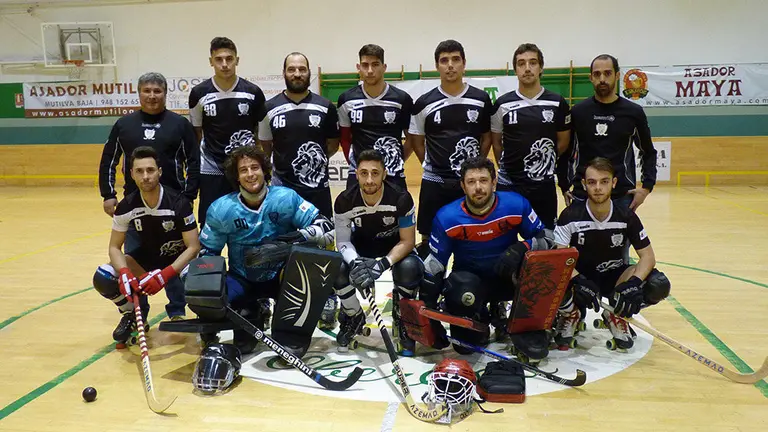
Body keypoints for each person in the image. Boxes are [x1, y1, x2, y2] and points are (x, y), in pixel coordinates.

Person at [198, 145, 335, 356]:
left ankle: (287, 325)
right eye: (244, 170)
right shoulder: (221, 209)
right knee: (211, 297)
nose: (251, 174)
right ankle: (254, 310)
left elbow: (327, 227)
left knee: (292, 343)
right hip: (243, 278)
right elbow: (208, 252)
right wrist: (205, 296)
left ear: (265, 171)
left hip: (283, 279)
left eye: (255, 167)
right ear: (236, 176)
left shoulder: (286, 198)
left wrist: (296, 239)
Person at [421, 157, 553, 355]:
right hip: (470, 284)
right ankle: (480, 313)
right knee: (464, 346)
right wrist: (430, 318)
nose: (478, 187)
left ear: (494, 182)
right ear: (463, 186)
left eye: (483, 180)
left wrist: (521, 248)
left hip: (508, 276)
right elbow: (434, 265)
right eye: (471, 182)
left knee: (542, 267)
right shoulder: (447, 217)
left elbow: (548, 239)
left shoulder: (516, 204)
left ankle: (525, 324)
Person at [98, 72, 199, 319]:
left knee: (173, 258)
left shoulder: (179, 124)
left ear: (165, 94)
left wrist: (189, 195)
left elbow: (194, 161)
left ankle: (177, 311)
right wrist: (108, 194)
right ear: (139, 93)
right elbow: (109, 159)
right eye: (147, 91)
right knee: (134, 260)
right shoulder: (124, 124)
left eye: (157, 91)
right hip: (135, 208)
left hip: (172, 207)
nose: (152, 96)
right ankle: (137, 312)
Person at [257, 52, 341, 329]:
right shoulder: (269, 108)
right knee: (280, 244)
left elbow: (332, 145)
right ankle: (273, 299)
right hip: (283, 191)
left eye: (301, 69)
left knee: (323, 244)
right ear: (284, 72)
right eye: (291, 69)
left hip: (317, 191)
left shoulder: (325, 106)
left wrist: (312, 171)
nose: (297, 74)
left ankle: (327, 298)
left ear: (309, 73)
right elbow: (265, 147)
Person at [553, 157, 670, 350]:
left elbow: (648, 256)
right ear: (584, 184)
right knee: (547, 273)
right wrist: (577, 280)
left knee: (658, 284)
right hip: (581, 280)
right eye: (592, 182)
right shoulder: (570, 216)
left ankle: (617, 313)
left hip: (614, 278)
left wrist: (632, 284)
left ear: (613, 183)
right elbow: (559, 257)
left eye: (604, 181)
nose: (598, 187)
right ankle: (570, 313)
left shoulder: (627, 216)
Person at [92, 146, 201, 344]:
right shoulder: (126, 206)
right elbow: (114, 247)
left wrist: (165, 275)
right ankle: (132, 314)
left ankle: (207, 322)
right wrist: (124, 272)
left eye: (150, 170)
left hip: (178, 260)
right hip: (147, 260)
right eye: (140, 171)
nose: (146, 176)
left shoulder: (178, 203)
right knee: (103, 277)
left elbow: (194, 247)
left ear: (159, 171)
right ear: (131, 174)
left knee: (202, 281)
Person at [409, 39, 493, 257]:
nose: (450, 65)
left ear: (464, 64)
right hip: (434, 184)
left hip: (469, 185)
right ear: (437, 66)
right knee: (429, 242)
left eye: (456, 59)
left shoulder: (481, 99)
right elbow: (417, 141)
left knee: (473, 240)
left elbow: (487, 138)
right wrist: (431, 165)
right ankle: (430, 287)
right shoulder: (423, 103)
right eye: (444, 60)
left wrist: (474, 170)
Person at [333, 150, 420, 355]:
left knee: (411, 268)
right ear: (356, 174)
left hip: (394, 246)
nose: (369, 179)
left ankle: (402, 316)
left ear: (385, 174)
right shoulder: (344, 201)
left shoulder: (401, 199)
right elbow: (343, 241)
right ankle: (353, 315)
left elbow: (408, 241)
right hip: (361, 247)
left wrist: (381, 265)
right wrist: (355, 263)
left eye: (375, 173)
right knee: (336, 267)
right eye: (364, 173)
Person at [560, 54, 657, 211]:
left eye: (608, 73)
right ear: (591, 77)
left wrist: (646, 188)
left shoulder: (633, 112)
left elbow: (648, 152)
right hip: (582, 195)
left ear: (617, 76)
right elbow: (566, 153)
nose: (602, 79)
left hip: (621, 197)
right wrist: (564, 186)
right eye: (597, 74)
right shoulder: (578, 112)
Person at [490, 43, 570, 229]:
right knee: (504, 239)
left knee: (546, 237)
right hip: (509, 184)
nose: (527, 68)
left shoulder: (557, 102)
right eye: (521, 63)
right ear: (515, 69)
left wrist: (542, 164)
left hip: (543, 185)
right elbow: (496, 142)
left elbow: (564, 141)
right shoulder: (502, 104)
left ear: (541, 67)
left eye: (533, 63)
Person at [189, 36, 267, 228]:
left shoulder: (253, 92)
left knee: (251, 220)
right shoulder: (199, 93)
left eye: (229, 59)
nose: (224, 64)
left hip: (244, 167)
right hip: (212, 166)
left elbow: (262, 133)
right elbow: (196, 132)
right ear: (211, 62)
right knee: (210, 221)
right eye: (219, 59)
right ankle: (209, 258)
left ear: (237, 60)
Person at [337, 44, 414, 190]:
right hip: (359, 173)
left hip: (393, 173)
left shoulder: (402, 99)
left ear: (384, 67)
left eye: (375, 65)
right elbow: (345, 138)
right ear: (358, 67)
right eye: (365, 65)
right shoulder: (346, 99)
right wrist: (356, 164)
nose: (370, 70)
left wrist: (397, 161)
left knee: (397, 212)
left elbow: (411, 139)